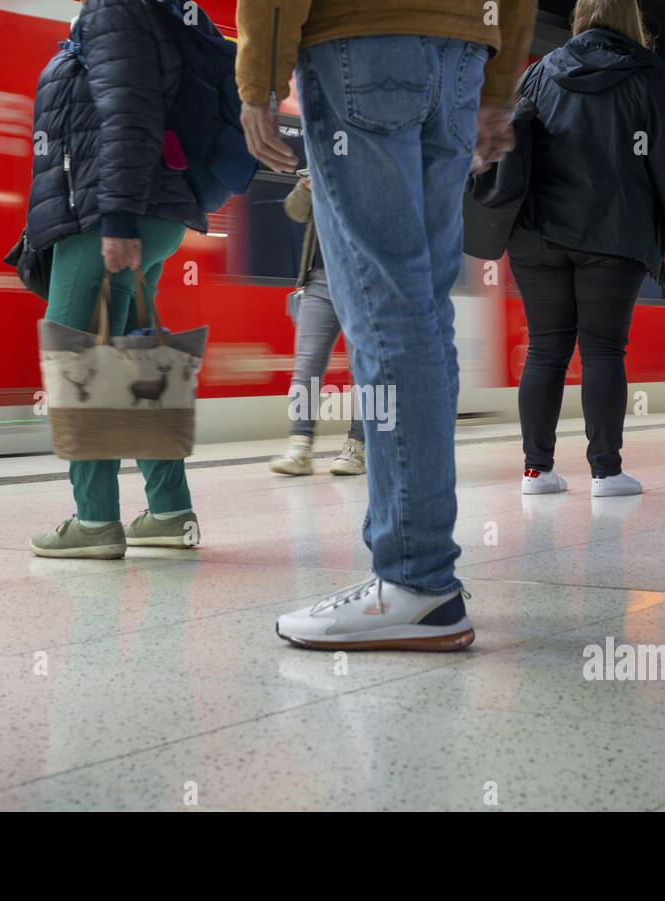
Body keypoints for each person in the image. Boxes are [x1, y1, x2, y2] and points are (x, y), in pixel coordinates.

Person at [235, 0, 536, 650]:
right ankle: (425, 571)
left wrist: (257, 80)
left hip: (360, 40)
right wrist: (497, 87)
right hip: (461, 56)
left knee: (385, 307)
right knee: (424, 308)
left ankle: (414, 580)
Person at [26, 1, 208, 558]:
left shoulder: (115, 7)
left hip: (106, 215)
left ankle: (96, 520)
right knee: (133, 357)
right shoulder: (144, 11)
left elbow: (129, 112)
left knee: (80, 359)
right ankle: (171, 512)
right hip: (141, 209)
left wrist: (118, 220)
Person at [506, 0, 665, 499]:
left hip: (537, 233)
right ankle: (606, 474)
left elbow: (514, 145)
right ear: (631, 21)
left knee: (545, 350)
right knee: (603, 350)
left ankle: (536, 472)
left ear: (580, 18)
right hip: (614, 233)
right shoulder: (647, 78)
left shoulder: (540, 73)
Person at [268, 174, 366, 477]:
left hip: (367, 280)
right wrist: (306, 186)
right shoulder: (322, 158)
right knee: (307, 364)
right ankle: (300, 447)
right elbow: (295, 211)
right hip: (319, 279)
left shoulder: (376, 154)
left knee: (364, 368)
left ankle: (358, 446)